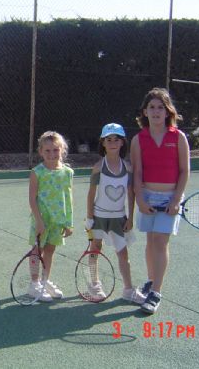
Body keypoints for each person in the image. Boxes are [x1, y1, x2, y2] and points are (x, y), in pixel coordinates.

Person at [130, 88, 190, 314]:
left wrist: (176, 200)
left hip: (170, 197)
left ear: (167, 112)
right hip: (147, 196)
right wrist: (140, 200)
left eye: (160, 108)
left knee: (160, 241)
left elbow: (185, 171)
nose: (156, 111)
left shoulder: (178, 137)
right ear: (145, 112)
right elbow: (136, 173)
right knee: (150, 241)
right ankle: (150, 280)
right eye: (152, 107)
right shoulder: (139, 139)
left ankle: (155, 292)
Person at [85, 123, 145, 304]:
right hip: (99, 217)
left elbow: (130, 193)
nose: (112, 142)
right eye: (108, 139)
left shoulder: (127, 168)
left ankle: (128, 289)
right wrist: (89, 218)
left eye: (116, 139)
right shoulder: (97, 167)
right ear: (103, 143)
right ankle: (94, 284)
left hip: (119, 218)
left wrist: (131, 218)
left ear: (122, 143)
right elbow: (91, 194)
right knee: (95, 249)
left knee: (123, 253)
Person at [28, 131, 73, 302]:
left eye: (55, 150)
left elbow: (68, 198)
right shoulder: (37, 172)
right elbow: (32, 200)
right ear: (40, 151)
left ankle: (45, 281)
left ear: (62, 150)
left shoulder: (68, 172)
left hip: (58, 221)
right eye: (47, 151)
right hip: (41, 220)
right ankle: (34, 284)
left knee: (50, 250)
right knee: (37, 250)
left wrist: (69, 223)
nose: (52, 154)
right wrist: (39, 221)